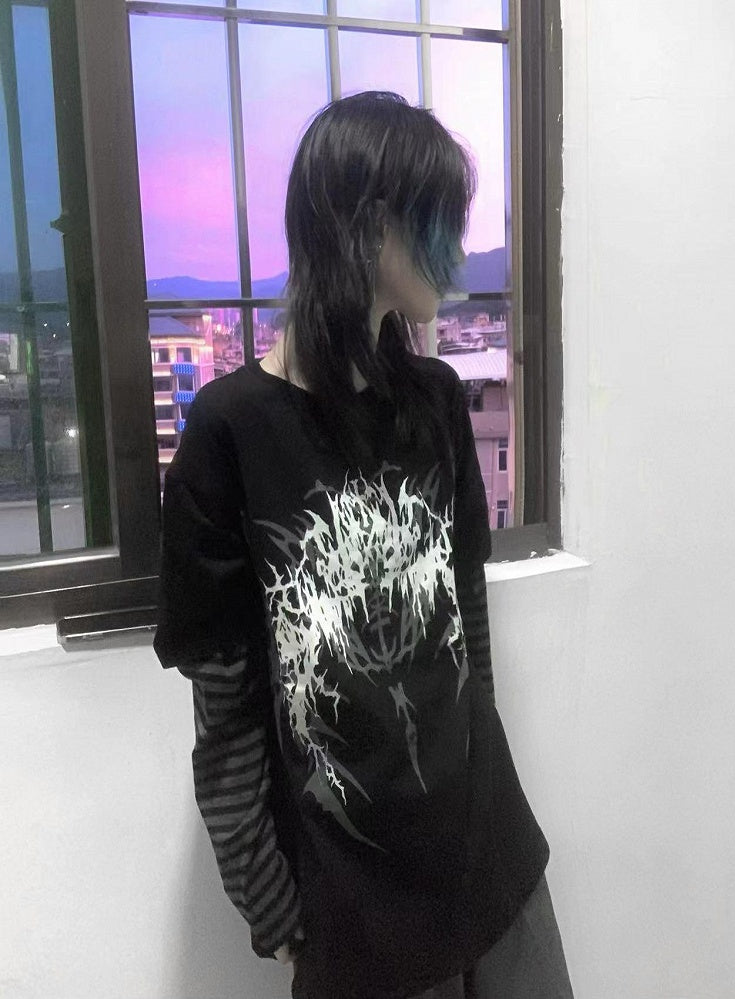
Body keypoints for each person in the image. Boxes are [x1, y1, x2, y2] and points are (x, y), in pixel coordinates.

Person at [153, 91, 573, 999]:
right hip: (357, 912)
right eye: (441, 221)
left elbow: (468, 630)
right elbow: (224, 712)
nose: (457, 251)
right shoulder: (229, 434)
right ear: (378, 228)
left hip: (495, 862)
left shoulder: (435, 402)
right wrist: (274, 910)